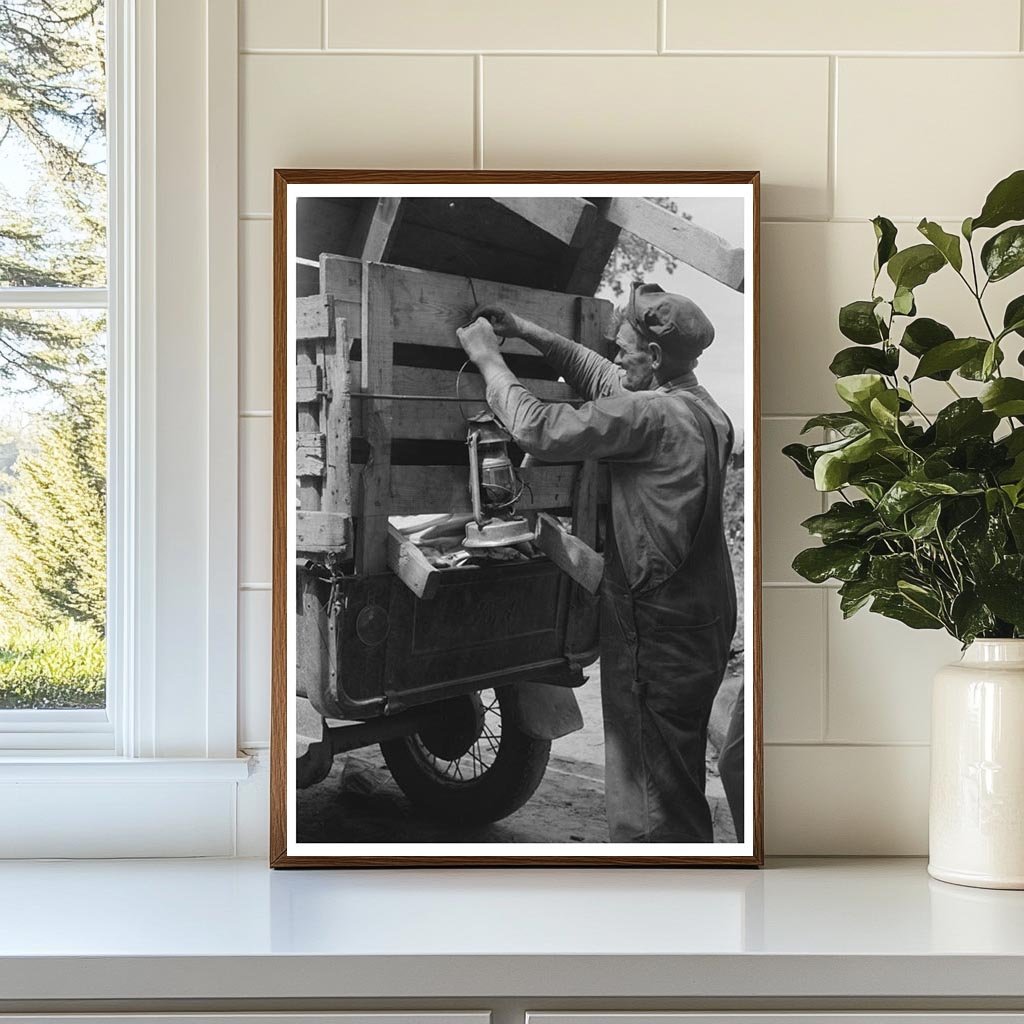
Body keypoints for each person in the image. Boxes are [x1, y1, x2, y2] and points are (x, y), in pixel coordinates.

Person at [456, 281, 739, 843]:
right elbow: (602, 374)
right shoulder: (705, 410)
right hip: (703, 614)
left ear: (655, 357)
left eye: (625, 346)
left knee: (649, 786)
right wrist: (526, 329)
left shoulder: (649, 417)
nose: (614, 355)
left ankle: (658, 898)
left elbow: (538, 428)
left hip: (657, 625)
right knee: (674, 766)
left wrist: (488, 358)